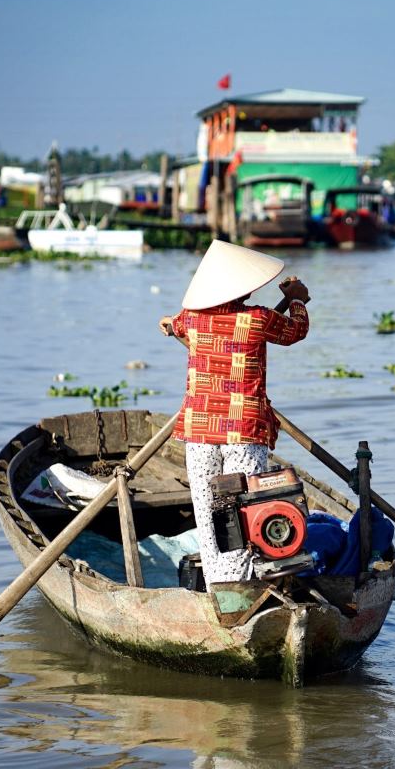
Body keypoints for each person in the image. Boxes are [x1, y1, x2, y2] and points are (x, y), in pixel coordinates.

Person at [158, 241, 310, 588]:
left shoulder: (191, 320)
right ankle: (240, 587)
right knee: (244, 510)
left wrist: (168, 324)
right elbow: (296, 331)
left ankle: (216, 587)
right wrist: (297, 298)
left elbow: (175, 325)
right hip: (243, 428)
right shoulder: (258, 319)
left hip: (199, 429)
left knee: (209, 508)